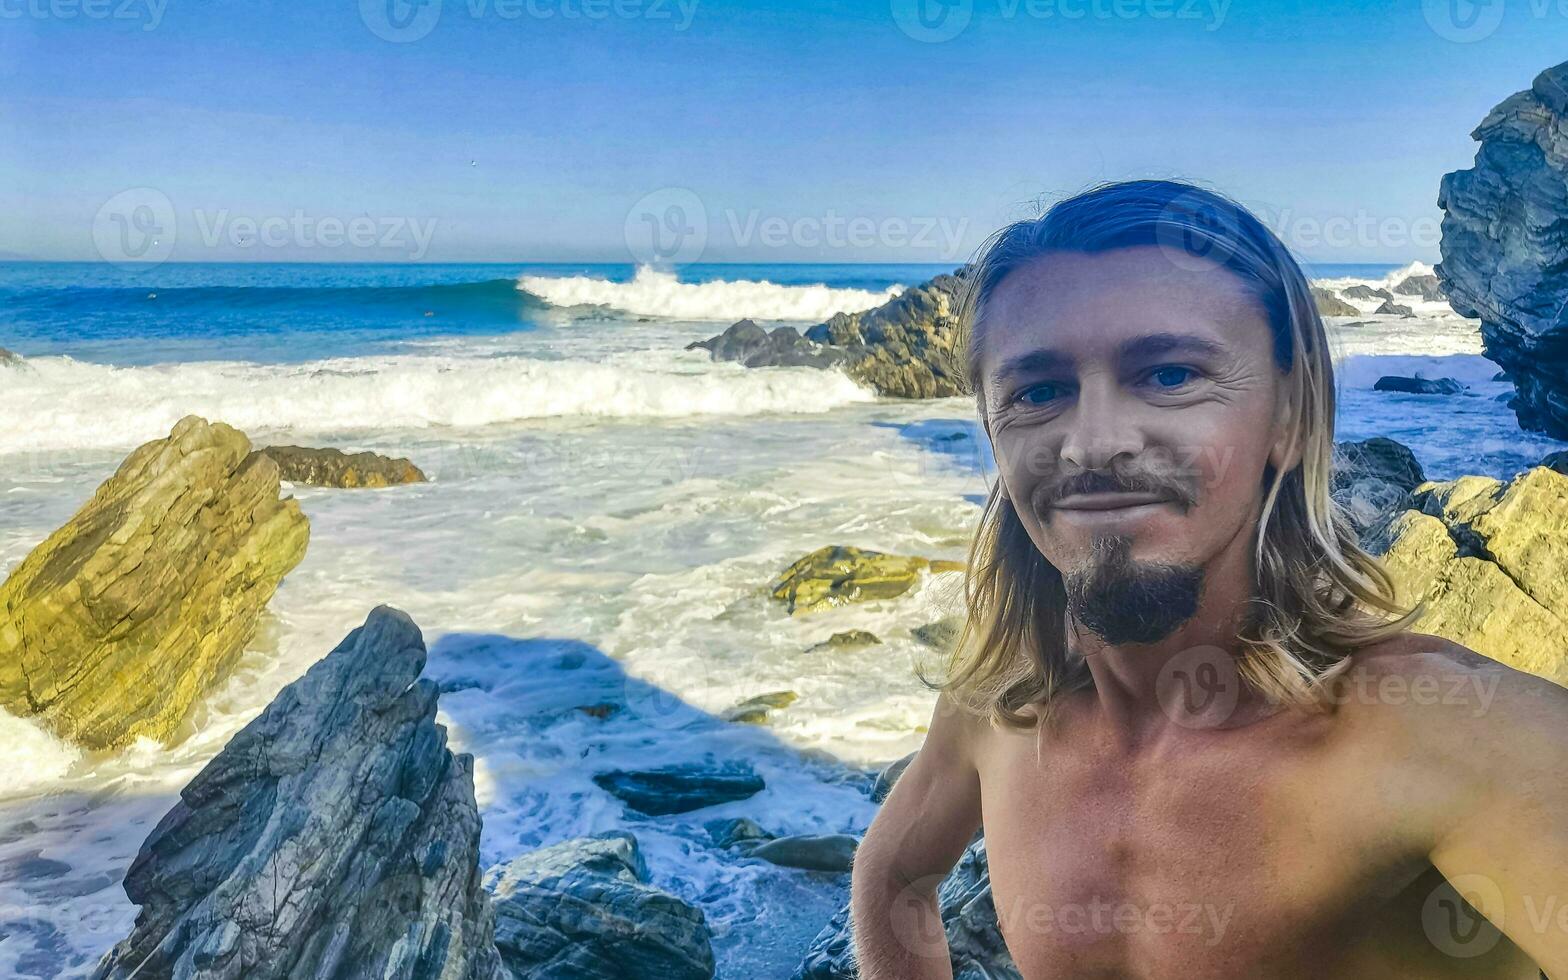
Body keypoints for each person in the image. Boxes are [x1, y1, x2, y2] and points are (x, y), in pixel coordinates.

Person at [849, 180, 1568, 979]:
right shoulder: (1001, 703)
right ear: (993, 429)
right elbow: (894, 877)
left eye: (1169, 375)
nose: (1094, 443)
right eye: (1039, 392)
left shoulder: (1464, 735)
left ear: (1290, 417)